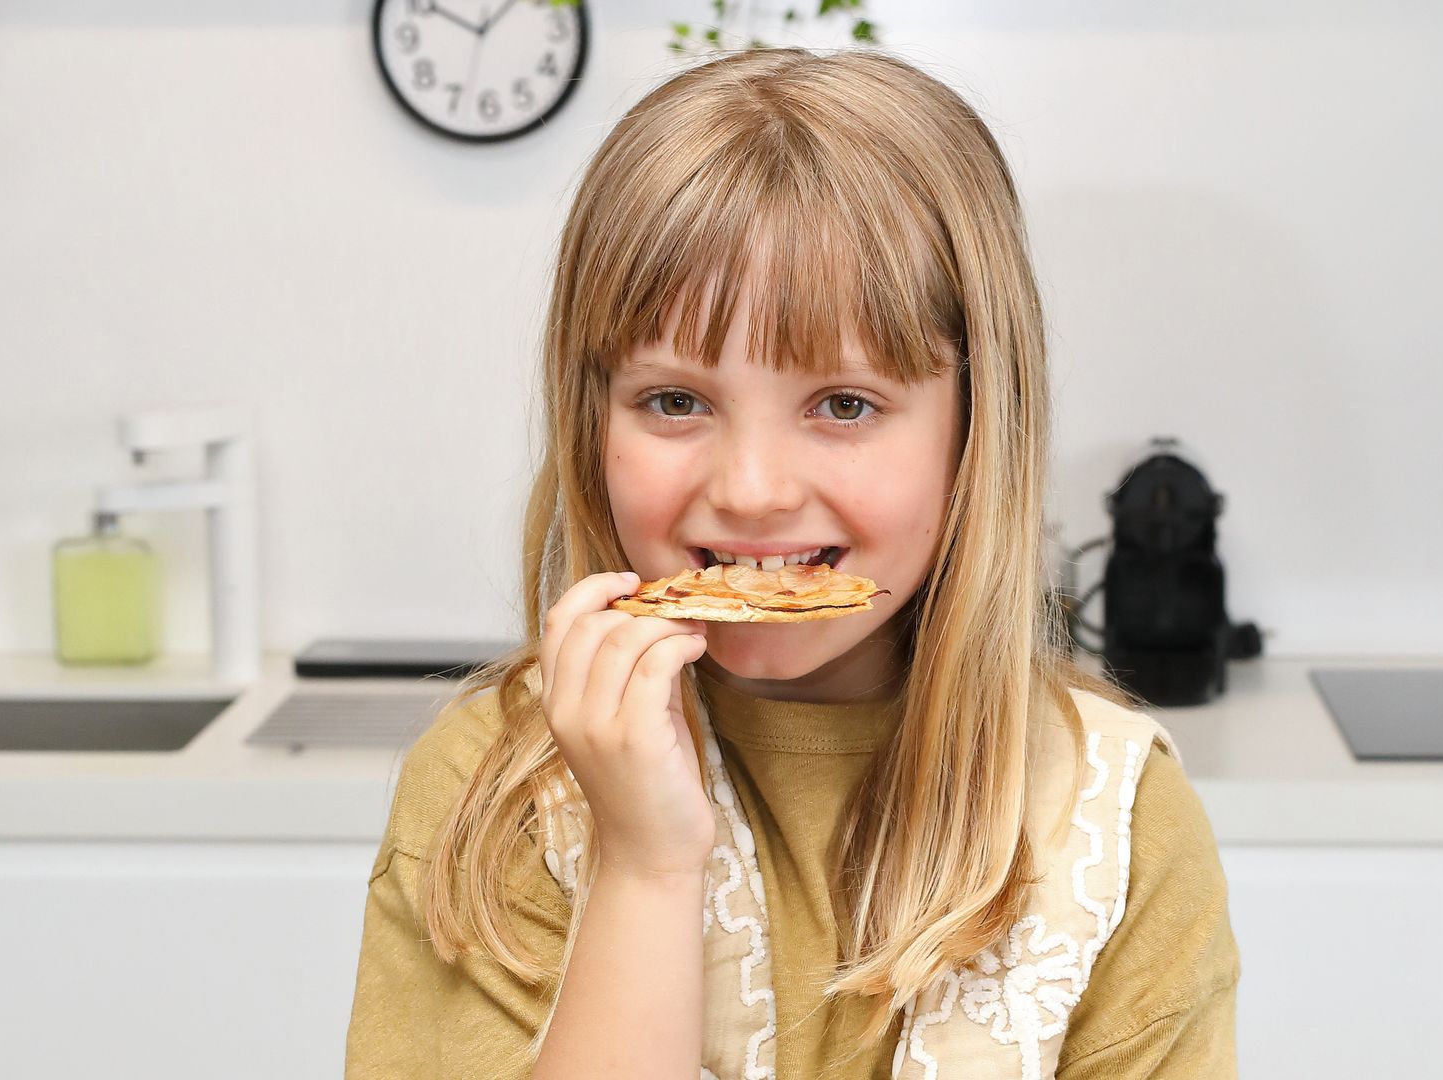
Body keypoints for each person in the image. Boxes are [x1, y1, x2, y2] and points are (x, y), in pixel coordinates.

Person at [345, 46, 1239, 1079]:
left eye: (845, 404)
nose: (754, 488)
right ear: (592, 418)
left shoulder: (1116, 826)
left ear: (976, 426)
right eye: (675, 400)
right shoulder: (491, 795)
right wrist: (644, 869)